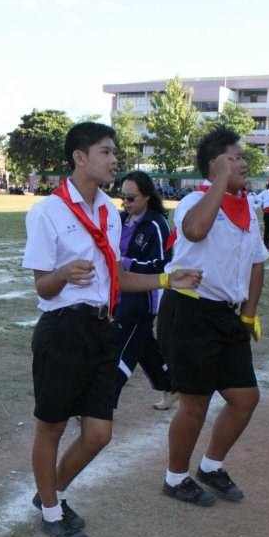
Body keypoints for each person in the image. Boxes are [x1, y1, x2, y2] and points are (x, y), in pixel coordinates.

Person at [22, 122, 201, 537]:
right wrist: (64, 273)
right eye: (105, 151)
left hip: (105, 327)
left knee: (99, 432)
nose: (115, 159)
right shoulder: (48, 211)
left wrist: (166, 281)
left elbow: (117, 276)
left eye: (114, 152)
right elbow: (42, 286)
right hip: (63, 329)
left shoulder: (108, 211)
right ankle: (51, 510)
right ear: (80, 157)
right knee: (51, 427)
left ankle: (51, 494)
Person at [158, 127, 269, 507]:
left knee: (245, 398)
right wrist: (220, 182)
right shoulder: (195, 200)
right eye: (234, 157)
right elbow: (194, 230)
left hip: (226, 316)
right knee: (196, 403)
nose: (243, 162)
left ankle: (210, 466)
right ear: (214, 166)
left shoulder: (248, 209)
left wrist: (248, 315)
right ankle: (175, 478)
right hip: (190, 311)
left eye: (242, 157)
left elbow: (257, 263)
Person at [114, 171, 175, 411]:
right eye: (123, 198)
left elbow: (161, 265)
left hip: (142, 299)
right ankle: (172, 385)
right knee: (145, 348)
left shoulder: (156, 225)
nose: (126, 203)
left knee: (119, 350)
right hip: (118, 294)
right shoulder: (119, 220)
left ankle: (102, 403)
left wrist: (125, 263)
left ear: (147, 196)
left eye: (131, 198)